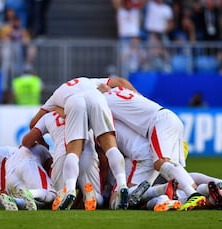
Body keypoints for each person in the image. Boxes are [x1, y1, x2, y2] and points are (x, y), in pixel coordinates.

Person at [29, 77, 137, 210]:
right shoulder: (89, 81)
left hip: (73, 102)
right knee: (110, 146)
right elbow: (120, 82)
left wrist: (43, 141)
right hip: (96, 97)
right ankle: (122, 185)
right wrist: (137, 96)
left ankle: (70, 191)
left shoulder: (57, 95)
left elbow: (33, 123)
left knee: (73, 151)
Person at [97, 84, 206, 211]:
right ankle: (209, 193)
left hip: (158, 122)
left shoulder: (100, 104)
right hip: (169, 118)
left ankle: (192, 194)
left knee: (160, 163)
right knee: (173, 169)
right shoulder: (121, 92)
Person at [22, 110, 104, 210]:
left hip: (62, 155)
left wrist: (42, 143)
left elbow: (26, 141)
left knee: (54, 196)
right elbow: (100, 139)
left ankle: (63, 194)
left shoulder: (48, 116)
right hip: (86, 153)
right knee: (98, 197)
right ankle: (93, 196)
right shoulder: (86, 111)